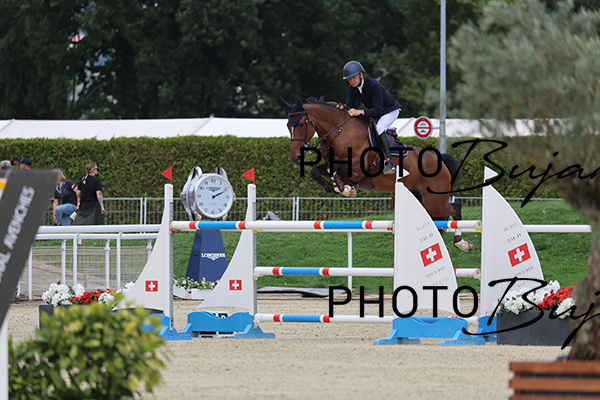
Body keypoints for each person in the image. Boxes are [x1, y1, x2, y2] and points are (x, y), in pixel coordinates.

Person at [343, 60, 402, 175]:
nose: (351, 81)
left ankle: (389, 162)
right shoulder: (352, 88)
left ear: (361, 74)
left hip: (390, 110)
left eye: (353, 77)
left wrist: (359, 112)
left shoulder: (374, 85)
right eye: (349, 79)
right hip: (376, 111)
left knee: (379, 128)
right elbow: (349, 107)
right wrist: (341, 108)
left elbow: (378, 110)